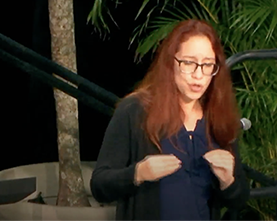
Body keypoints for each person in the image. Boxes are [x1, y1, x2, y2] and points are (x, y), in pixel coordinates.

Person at [90, 19, 249, 221]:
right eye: (189, 63)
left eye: (207, 65)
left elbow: (240, 198)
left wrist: (228, 180)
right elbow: (99, 186)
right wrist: (138, 173)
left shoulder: (217, 117)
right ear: (170, 63)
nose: (198, 75)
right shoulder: (135, 111)